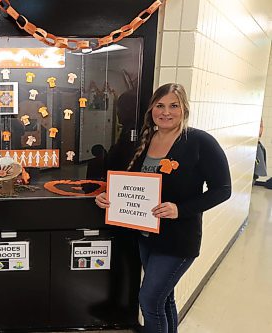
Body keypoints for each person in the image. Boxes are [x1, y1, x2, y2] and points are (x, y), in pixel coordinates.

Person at [95, 83, 231, 333]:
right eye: (160, 105)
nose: (166, 112)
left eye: (173, 106)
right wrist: (107, 197)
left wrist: (180, 209)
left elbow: (223, 189)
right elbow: (131, 185)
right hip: (146, 236)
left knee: (149, 300)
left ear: (184, 109)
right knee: (164, 299)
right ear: (151, 110)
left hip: (178, 240)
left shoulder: (200, 142)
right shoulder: (146, 140)